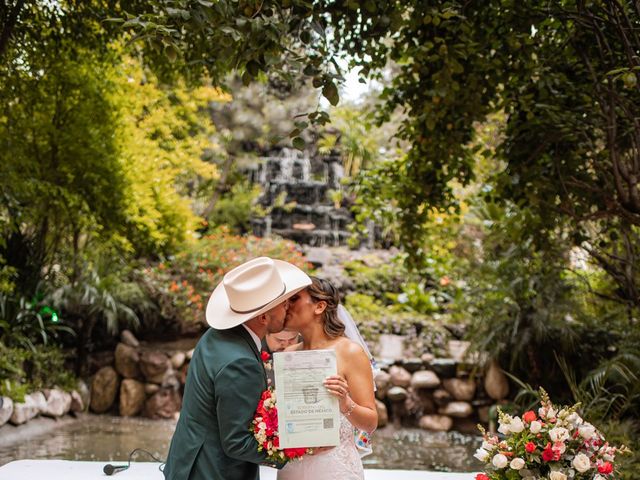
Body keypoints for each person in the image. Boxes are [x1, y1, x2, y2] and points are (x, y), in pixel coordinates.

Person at [163, 257, 311, 480]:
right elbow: (236, 442)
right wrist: (293, 452)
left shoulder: (216, 335)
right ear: (262, 316)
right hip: (212, 472)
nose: (288, 306)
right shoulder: (241, 363)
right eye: (283, 303)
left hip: (186, 461)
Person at [277, 277, 378, 480]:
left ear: (320, 306)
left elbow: (370, 423)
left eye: (294, 299)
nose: (286, 306)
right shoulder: (288, 354)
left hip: (334, 467)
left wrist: (345, 402)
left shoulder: (349, 351)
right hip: (292, 467)